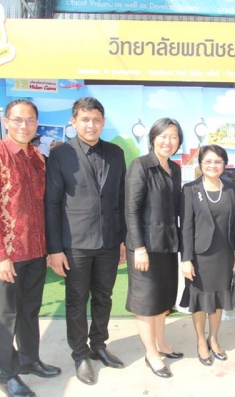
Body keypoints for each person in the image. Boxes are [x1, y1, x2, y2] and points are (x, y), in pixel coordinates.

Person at [45, 97, 127, 385]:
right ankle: (80, 355)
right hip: (75, 243)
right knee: (77, 301)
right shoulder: (60, 154)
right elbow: (52, 203)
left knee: (104, 297)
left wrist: (122, 239)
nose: (91, 125)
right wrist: (55, 249)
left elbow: (120, 198)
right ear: (73, 122)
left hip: (109, 241)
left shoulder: (115, 153)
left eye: (96, 120)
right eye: (85, 119)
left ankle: (99, 345)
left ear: (103, 122)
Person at [0, 100, 61, 397]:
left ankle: (29, 359)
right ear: (6, 121)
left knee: (29, 310)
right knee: (5, 317)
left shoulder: (38, 157)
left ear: (37, 123)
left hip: (36, 251)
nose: (24, 126)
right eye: (17, 120)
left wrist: (48, 249)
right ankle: (6, 374)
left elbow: (43, 205)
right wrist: (1, 256)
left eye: (30, 120)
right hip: (8, 255)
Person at [125, 118, 183, 378]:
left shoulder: (174, 168)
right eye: (163, 136)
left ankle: (161, 343)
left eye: (173, 136)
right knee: (147, 302)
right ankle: (151, 353)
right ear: (153, 138)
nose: (168, 141)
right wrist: (139, 248)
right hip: (145, 248)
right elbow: (131, 210)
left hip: (168, 244)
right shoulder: (140, 166)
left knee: (162, 299)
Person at [180, 145, 235, 366]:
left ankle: (213, 338)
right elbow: (186, 227)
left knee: (217, 299)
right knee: (199, 300)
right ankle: (200, 341)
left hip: (224, 255)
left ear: (224, 164)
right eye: (208, 161)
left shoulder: (230, 189)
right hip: (199, 257)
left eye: (217, 161)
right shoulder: (190, 189)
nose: (213, 165)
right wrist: (186, 259)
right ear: (200, 164)